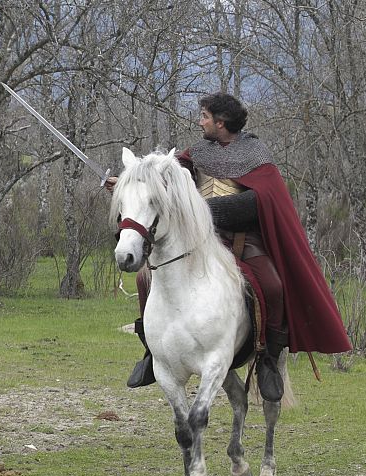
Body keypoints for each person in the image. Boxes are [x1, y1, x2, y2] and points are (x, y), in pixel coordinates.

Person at [108, 93, 351, 401]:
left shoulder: (256, 155)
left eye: (205, 117)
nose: (200, 121)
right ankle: (151, 350)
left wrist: (208, 209)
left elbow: (262, 201)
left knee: (272, 286)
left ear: (221, 123)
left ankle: (267, 358)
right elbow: (160, 178)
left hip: (240, 240)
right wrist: (128, 183)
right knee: (147, 277)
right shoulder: (195, 153)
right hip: (195, 240)